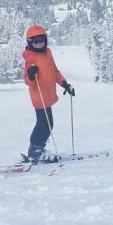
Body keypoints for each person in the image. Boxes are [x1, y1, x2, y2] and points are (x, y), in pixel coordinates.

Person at [22, 24, 75, 163]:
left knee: (48, 124)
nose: (39, 44)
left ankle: (37, 149)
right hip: (39, 96)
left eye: (41, 40)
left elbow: (54, 71)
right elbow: (27, 80)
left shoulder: (48, 53)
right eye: (35, 41)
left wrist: (65, 84)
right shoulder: (31, 58)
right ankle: (35, 151)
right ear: (30, 42)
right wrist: (31, 75)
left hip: (48, 95)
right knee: (43, 124)